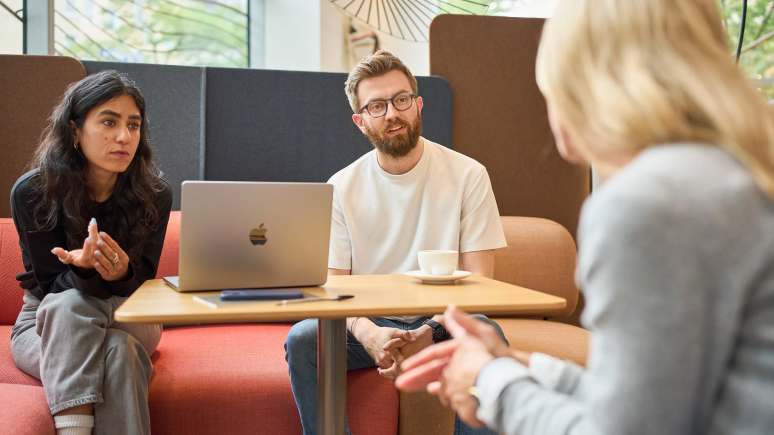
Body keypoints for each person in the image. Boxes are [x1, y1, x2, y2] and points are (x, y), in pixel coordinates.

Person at [395, 0, 774, 434]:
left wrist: (489, 381)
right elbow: (659, 407)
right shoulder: (738, 175)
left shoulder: (646, 204)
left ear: (580, 83)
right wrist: (517, 366)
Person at [284, 50, 508, 435]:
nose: (392, 113)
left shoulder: (469, 175)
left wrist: (432, 331)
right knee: (304, 339)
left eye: (401, 100)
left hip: (443, 319)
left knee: (488, 333)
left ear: (418, 104)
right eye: (377, 106)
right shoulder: (341, 187)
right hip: (370, 322)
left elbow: (480, 284)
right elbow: (332, 287)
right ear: (360, 121)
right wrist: (369, 334)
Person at [10, 70, 173, 435]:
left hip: (129, 312)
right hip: (45, 321)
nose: (123, 137)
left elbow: (142, 285)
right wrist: (82, 273)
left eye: (134, 125)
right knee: (113, 347)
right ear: (74, 130)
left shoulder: (155, 194)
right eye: (109, 122)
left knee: (82, 312)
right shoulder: (34, 192)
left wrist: (121, 273)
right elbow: (51, 287)